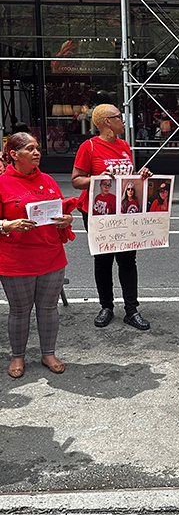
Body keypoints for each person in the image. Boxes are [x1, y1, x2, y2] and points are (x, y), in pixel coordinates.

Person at [71, 103, 152, 331]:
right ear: (107, 122)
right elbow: (76, 180)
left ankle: (131, 310)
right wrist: (97, 179)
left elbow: (127, 177)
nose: (123, 121)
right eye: (119, 117)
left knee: (127, 260)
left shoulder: (124, 145)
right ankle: (106, 307)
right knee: (103, 261)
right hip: (99, 211)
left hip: (124, 211)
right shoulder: (89, 147)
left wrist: (141, 176)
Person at [0, 133, 74, 378]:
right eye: (30, 149)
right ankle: (17, 356)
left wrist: (67, 219)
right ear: (14, 154)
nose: (36, 153)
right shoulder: (2, 183)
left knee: (48, 308)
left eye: (37, 148)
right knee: (19, 311)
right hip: (16, 260)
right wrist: (8, 225)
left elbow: (60, 211)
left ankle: (48, 353)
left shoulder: (48, 180)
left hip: (51, 256)